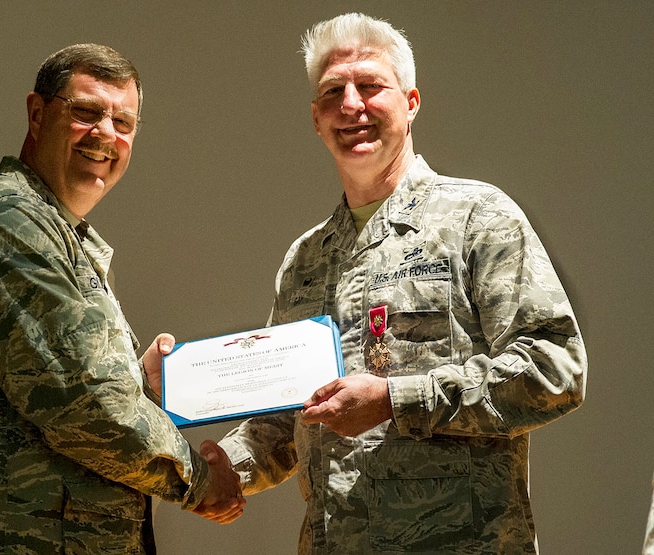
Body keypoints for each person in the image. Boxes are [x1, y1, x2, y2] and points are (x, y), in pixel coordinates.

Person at [212, 13, 587, 553]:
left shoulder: (477, 219)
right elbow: (286, 416)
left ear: (410, 103)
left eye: (370, 86)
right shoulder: (305, 260)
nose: (351, 105)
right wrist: (224, 470)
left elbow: (556, 369)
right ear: (316, 119)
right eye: (333, 92)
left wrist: (396, 399)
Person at [0, 43, 243, 554]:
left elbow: (70, 381)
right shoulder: (7, 221)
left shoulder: (59, 236)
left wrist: (140, 379)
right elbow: (80, 402)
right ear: (38, 114)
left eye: (124, 123)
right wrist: (197, 479)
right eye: (86, 112)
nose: (106, 134)